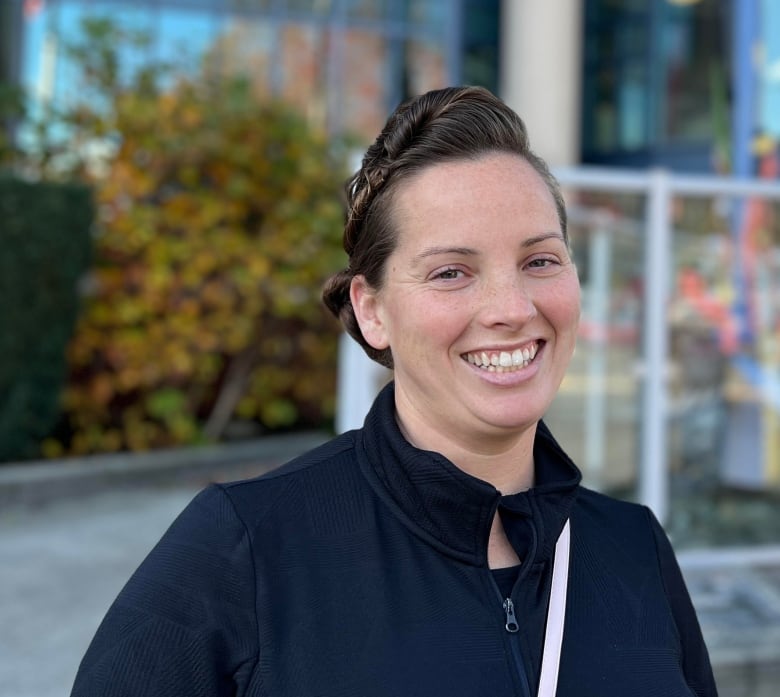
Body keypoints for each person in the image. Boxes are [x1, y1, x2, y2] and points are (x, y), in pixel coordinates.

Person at [70, 86, 718, 697]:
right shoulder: (247, 548)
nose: (511, 307)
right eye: (451, 271)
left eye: (539, 260)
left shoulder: (633, 549)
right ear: (372, 309)